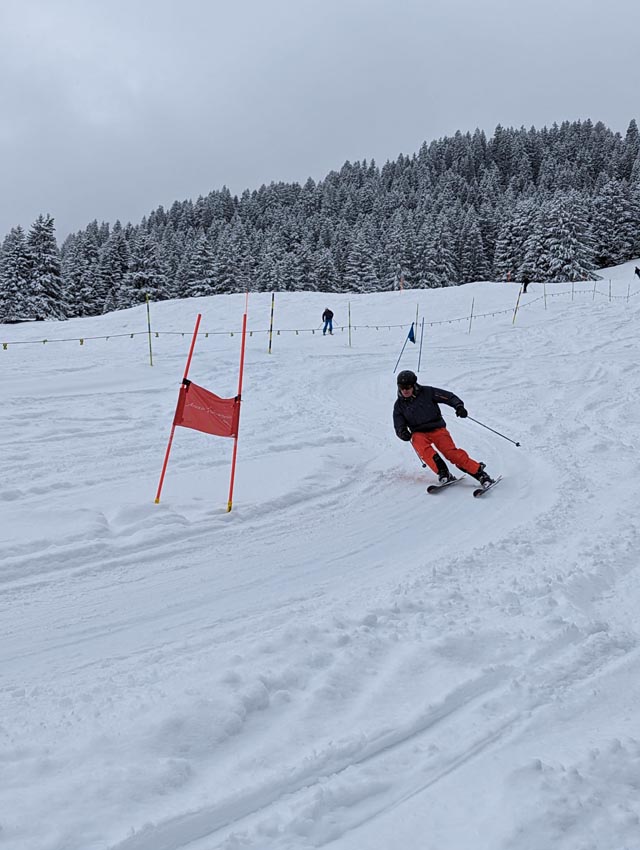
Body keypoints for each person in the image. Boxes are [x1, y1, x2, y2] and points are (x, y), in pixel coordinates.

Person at [393, 369, 495, 487]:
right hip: (419, 432)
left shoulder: (427, 392)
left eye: (408, 386)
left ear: (414, 385)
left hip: (437, 428)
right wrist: (402, 433)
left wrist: (459, 406)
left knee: (450, 453)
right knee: (420, 444)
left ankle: (480, 474)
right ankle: (443, 473)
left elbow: (449, 397)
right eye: (402, 387)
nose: (405, 390)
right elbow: (398, 425)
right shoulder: (399, 405)